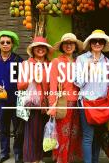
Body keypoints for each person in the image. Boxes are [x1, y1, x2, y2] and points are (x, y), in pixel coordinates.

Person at [74, 29, 109, 163]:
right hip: (86, 102)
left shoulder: (106, 60)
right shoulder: (81, 59)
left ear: (104, 44)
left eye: (100, 41)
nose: (97, 43)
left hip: (102, 103)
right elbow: (78, 82)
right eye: (94, 41)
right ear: (90, 43)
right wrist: (88, 69)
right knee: (88, 136)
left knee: (98, 136)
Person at [0, 31, 23, 163]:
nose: (5, 44)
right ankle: (4, 153)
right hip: (1, 100)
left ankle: (18, 153)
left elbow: (24, 79)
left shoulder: (19, 60)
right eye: (3, 42)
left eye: (8, 42)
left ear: (12, 44)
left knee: (18, 128)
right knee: (4, 127)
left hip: (17, 99)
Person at [47, 33, 83, 163]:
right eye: (66, 43)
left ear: (75, 46)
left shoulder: (78, 63)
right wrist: (52, 106)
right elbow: (52, 85)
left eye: (71, 43)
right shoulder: (56, 62)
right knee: (62, 135)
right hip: (63, 103)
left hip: (77, 103)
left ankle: (69, 160)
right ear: (62, 46)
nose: (69, 46)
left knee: (74, 135)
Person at [17, 36, 52, 163]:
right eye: (37, 47)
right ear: (33, 50)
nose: (40, 49)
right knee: (31, 134)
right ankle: (31, 160)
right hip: (32, 103)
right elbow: (20, 86)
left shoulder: (50, 65)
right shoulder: (26, 64)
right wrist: (30, 76)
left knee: (42, 133)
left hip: (47, 104)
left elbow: (52, 84)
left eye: (43, 47)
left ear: (47, 50)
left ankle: (39, 158)